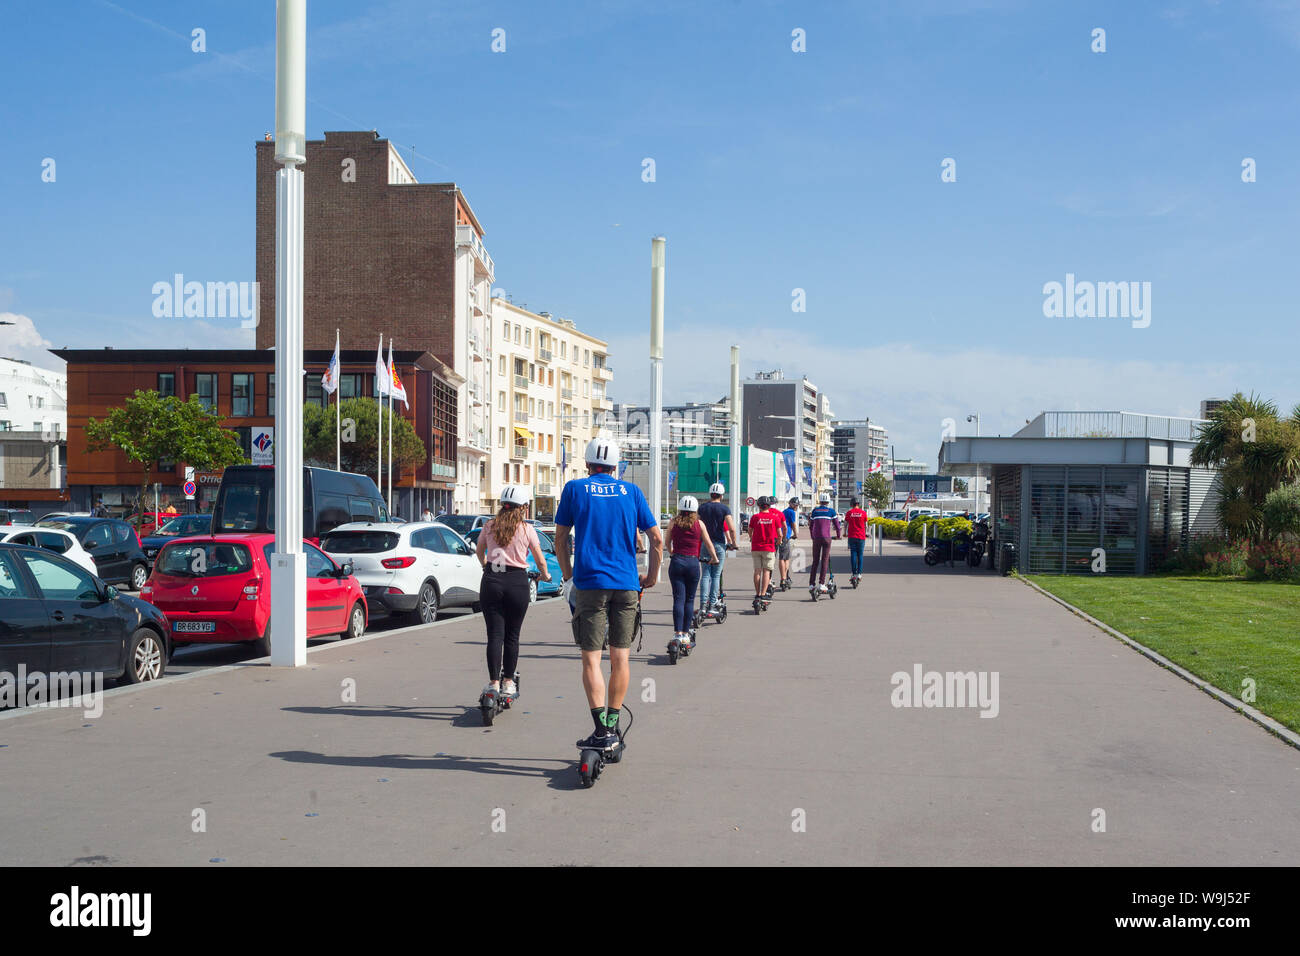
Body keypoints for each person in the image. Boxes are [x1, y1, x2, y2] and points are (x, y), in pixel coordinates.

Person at [555, 436, 661, 753]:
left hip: (590, 583)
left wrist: (568, 575)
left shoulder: (575, 489)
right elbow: (656, 538)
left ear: (588, 464)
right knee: (620, 657)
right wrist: (651, 576)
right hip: (627, 583)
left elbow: (560, 540)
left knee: (591, 658)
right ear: (616, 467)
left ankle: (600, 729)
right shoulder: (631, 492)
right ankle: (613, 728)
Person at [475, 484, 550, 700]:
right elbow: (539, 557)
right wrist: (545, 576)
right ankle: (508, 682)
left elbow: (480, 551)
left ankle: (493, 683)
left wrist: (486, 565)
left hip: (492, 580)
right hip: (517, 583)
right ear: (523, 508)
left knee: (494, 635)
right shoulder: (527, 529)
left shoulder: (489, 526)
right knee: (512, 636)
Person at [667, 495, 718, 649]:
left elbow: (667, 541)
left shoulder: (673, 522)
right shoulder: (699, 524)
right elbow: (708, 543)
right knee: (689, 600)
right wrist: (714, 558)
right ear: (695, 510)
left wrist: (672, 553)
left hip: (677, 562)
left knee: (678, 599)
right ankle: (686, 633)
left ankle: (678, 633)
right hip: (692, 563)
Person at [697, 482, 736, 613]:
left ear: (710, 494)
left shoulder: (702, 508)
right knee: (716, 575)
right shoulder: (724, 509)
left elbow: (696, 524)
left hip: (704, 545)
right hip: (719, 544)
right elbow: (731, 528)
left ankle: (703, 605)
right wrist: (733, 544)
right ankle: (713, 604)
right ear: (721, 495)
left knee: (705, 575)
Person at [748, 496, 781, 608]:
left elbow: (750, 530)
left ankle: (757, 594)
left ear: (759, 505)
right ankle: (763, 594)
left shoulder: (755, 517)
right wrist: (779, 541)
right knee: (766, 571)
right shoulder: (774, 517)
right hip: (769, 548)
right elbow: (780, 533)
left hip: (756, 547)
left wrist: (751, 538)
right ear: (769, 505)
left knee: (757, 571)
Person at [807, 492, 842, 593]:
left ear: (820, 501)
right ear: (828, 501)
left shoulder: (814, 511)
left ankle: (811, 584)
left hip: (816, 538)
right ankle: (821, 584)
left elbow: (811, 526)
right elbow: (837, 525)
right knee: (825, 560)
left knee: (815, 561)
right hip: (827, 538)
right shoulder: (831, 511)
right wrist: (838, 536)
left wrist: (812, 536)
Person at [844, 497, 869, 580]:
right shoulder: (863, 513)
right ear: (859, 504)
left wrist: (844, 532)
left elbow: (845, 524)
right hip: (861, 537)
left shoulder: (849, 512)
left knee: (853, 555)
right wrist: (866, 533)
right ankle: (859, 574)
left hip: (852, 536)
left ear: (852, 504)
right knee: (860, 555)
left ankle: (854, 573)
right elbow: (866, 525)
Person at [780, 496, 799, 587]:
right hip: (785, 536)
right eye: (795, 505)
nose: (796, 506)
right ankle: (784, 578)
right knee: (785, 558)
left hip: (778, 535)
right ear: (791, 504)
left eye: (797, 505)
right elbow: (793, 524)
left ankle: (784, 577)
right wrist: (795, 534)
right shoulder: (791, 512)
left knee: (781, 557)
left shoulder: (784, 511)